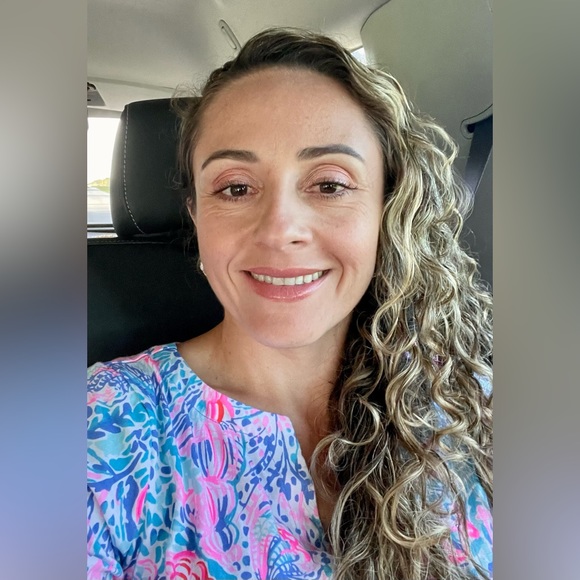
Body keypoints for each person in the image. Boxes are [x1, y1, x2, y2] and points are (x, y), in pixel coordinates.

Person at [87, 28, 493, 580]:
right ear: (196, 215)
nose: (279, 230)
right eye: (235, 188)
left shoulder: (465, 396)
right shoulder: (102, 427)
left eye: (329, 185)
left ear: (386, 207)